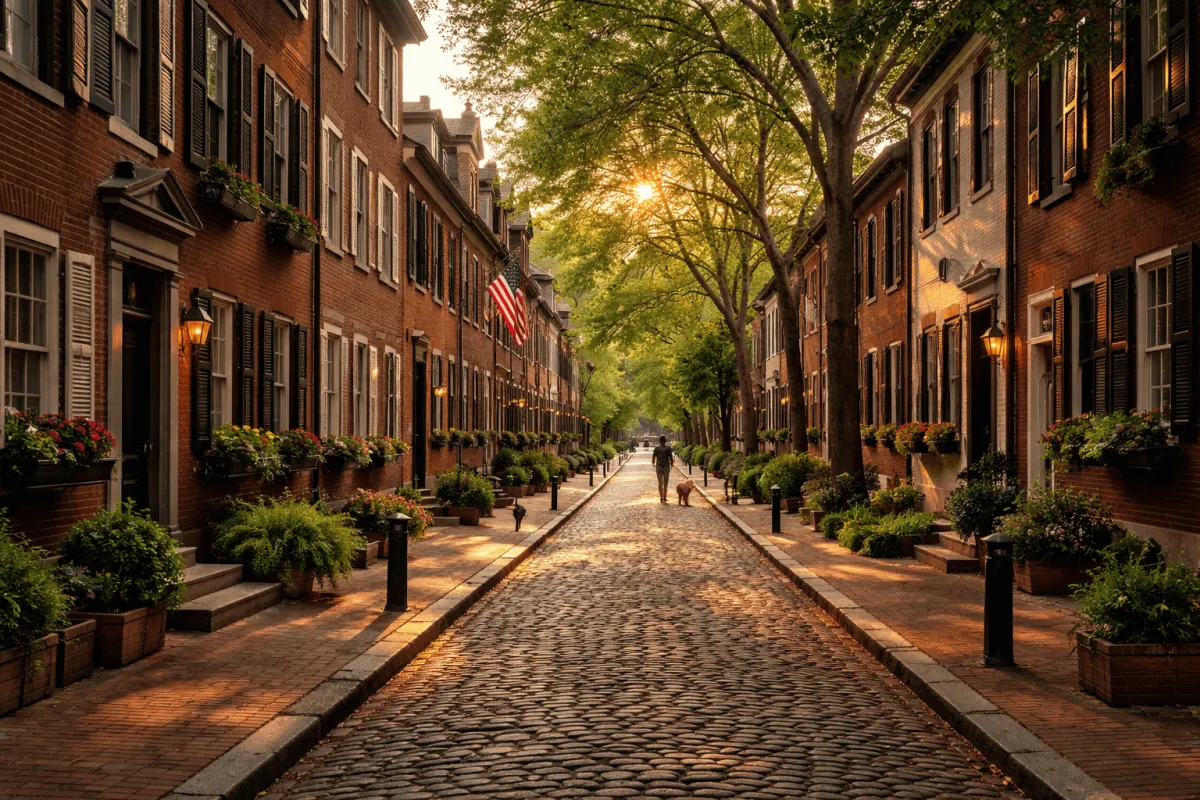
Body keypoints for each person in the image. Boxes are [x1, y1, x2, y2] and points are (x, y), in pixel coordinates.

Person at [651, 435, 674, 503]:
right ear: (665, 440)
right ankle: (664, 497)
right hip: (666, 467)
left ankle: (661, 496)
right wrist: (672, 464)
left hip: (659, 467)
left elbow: (653, 456)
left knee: (660, 482)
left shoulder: (656, 448)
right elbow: (671, 457)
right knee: (666, 482)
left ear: (659, 441)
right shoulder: (668, 448)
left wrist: (653, 463)